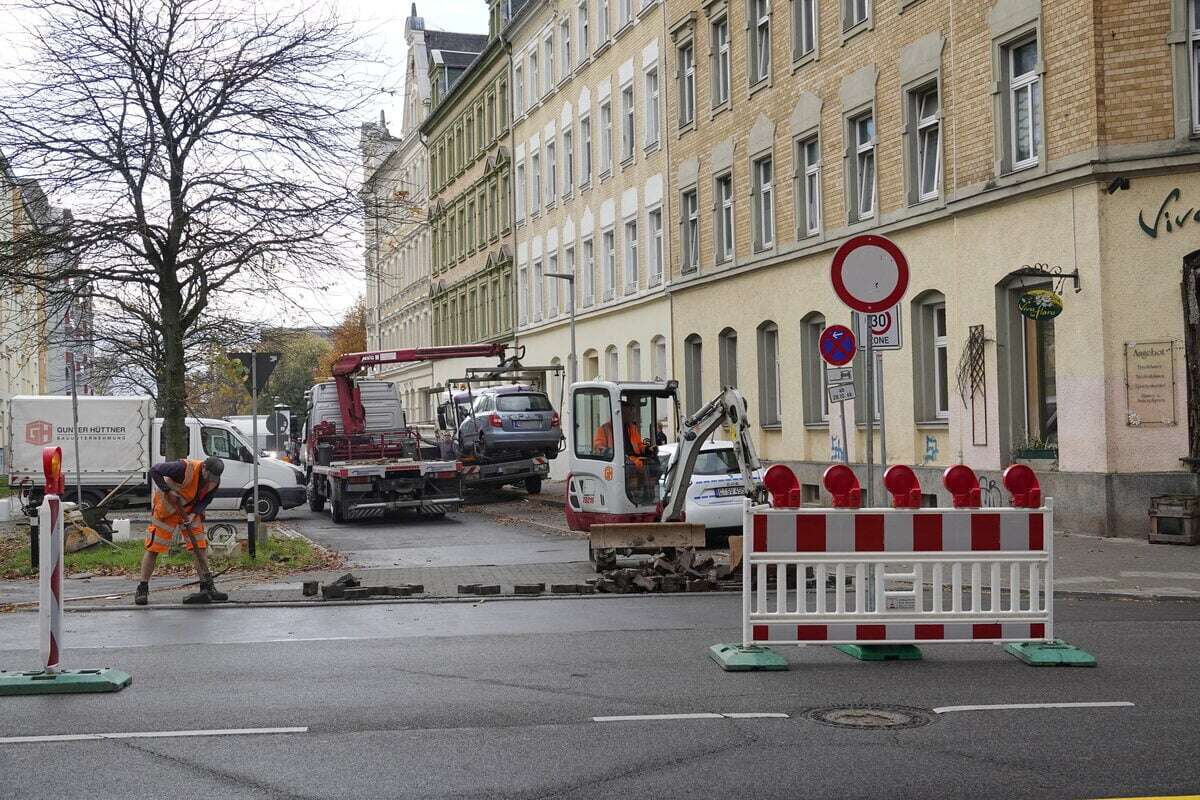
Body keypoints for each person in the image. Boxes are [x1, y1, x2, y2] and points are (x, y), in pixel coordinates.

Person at [135, 455, 228, 606]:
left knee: (200, 548)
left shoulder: (214, 480)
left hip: (190, 513)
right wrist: (167, 490)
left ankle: (207, 586)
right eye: (209, 476)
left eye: (214, 478)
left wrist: (194, 513)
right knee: (154, 549)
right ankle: (142, 589)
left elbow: (207, 498)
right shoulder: (183, 468)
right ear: (204, 467)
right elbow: (154, 470)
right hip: (167, 511)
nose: (211, 480)